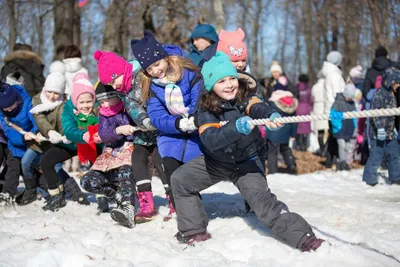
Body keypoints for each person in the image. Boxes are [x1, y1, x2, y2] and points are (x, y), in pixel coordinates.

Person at [171, 52, 324, 251]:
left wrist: (270, 114)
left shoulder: (245, 97)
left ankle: (304, 239)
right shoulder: (205, 109)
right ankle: (194, 231)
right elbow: (210, 139)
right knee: (180, 180)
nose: (229, 84)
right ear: (210, 86)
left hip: (247, 162)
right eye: (222, 81)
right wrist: (234, 128)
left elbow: (258, 107)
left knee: (264, 205)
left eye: (232, 78)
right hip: (217, 161)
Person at [131, 31, 203, 221]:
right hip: (171, 132)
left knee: (192, 166)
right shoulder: (152, 86)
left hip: (196, 127)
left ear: (165, 58)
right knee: (169, 164)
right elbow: (156, 115)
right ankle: (179, 207)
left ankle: (194, 203)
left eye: (156, 64)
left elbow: (199, 99)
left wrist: (194, 118)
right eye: (149, 69)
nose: (154, 71)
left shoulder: (189, 74)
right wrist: (177, 124)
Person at [93, 50, 166, 222]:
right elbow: (133, 109)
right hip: (142, 132)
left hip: (159, 131)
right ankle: (146, 205)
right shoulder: (122, 92)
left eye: (113, 80)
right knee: (137, 159)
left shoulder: (143, 78)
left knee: (160, 160)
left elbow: (154, 101)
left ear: (120, 72)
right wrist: (141, 123)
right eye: (109, 83)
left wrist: (152, 120)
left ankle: (174, 201)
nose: (113, 85)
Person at [40, 73, 98, 211]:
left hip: (93, 144)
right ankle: (56, 196)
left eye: (88, 101)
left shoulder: (97, 108)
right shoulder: (68, 108)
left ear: (93, 99)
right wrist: (82, 134)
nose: (85, 105)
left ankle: (105, 196)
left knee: (98, 168)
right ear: (75, 101)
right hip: (71, 143)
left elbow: (102, 125)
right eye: (81, 102)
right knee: (46, 162)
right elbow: (68, 129)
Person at [80, 84, 136, 228]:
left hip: (128, 152)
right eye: (100, 101)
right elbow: (105, 134)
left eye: (106, 99)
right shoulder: (104, 114)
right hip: (109, 154)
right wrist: (117, 130)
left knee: (126, 171)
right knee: (87, 181)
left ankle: (128, 207)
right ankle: (114, 195)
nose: (103, 104)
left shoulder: (128, 108)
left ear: (116, 96)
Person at [31, 68, 88, 208]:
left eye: (56, 93)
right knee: (45, 163)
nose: (51, 96)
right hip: (57, 141)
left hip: (74, 141)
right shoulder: (38, 100)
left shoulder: (66, 105)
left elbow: (66, 122)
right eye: (49, 91)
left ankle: (87, 195)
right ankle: (57, 196)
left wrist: (69, 134)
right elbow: (40, 118)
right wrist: (50, 133)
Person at [0, 82, 42, 205]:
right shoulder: (3, 114)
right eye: (4, 108)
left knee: (34, 169)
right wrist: (22, 138)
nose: (8, 109)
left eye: (10, 106)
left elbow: (35, 119)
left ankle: (47, 187)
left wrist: (36, 132)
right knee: (13, 167)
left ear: (17, 100)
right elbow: (8, 131)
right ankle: (7, 193)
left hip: (33, 143)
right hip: (17, 145)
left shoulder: (27, 103)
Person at [362, 67, 400, 186]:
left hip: (389, 133)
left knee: (395, 154)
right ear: (390, 80)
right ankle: (369, 180)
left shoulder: (391, 94)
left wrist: (393, 128)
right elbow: (375, 114)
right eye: (397, 82)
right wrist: (380, 129)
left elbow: (391, 114)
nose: (398, 85)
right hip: (378, 133)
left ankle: (396, 177)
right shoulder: (379, 94)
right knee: (376, 157)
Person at [266, 78, 298, 174]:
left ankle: (273, 171)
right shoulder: (292, 102)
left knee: (272, 152)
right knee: (285, 149)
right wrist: (293, 134)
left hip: (274, 131)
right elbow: (295, 121)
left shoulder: (272, 102)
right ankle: (292, 165)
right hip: (287, 131)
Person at [322, 51, 346, 168]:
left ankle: (331, 160)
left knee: (333, 135)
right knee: (337, 135)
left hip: (331, 108)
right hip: (336, 109)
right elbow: (338, 93)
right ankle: (334, 160)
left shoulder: (330, 73)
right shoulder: (335, 75)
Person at [330, 84, 357, 171]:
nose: (349, 99)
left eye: (351, 97)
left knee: (348, 146)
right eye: (348, 96)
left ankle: (347, 162)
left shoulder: (352, 104)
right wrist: (338, 126)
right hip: (340, 128)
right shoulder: (338, 103)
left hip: (349, 128)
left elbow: (355, 115)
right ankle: (342, 162)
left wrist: (355, 125)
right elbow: (333, 115)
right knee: (341, 145)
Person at [296, 74, 312, 151]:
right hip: (306, 109)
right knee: (305, 128)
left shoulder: (297, 87)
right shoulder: (308, 89)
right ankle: (305, 145)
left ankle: (299, 145)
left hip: (298, 108)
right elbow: (310, 100)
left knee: (298, 127)